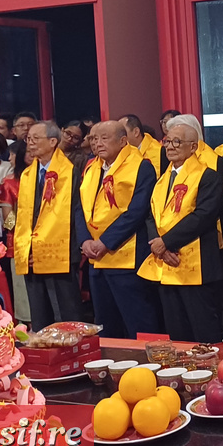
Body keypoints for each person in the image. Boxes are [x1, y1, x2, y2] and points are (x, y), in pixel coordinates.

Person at [139, 118, 223, 343]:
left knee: (203, 326)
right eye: (168, 141)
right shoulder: (163, 179)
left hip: (197, 263)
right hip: (165, 262)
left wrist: (165, 242)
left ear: (194, 146)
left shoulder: (208, 175)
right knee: (176, 329)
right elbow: (151, 215)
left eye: (177, 142)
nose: (170, 146)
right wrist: (158, 245)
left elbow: (204, 216)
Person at [74, 121, 161, 339]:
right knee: (105, 322)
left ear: (123, 141)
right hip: (96, 258)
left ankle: (146, 367)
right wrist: (84, 241)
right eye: (93, 138)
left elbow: (137, 211)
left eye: (104, 138)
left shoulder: (142, 166)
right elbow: (80, 207)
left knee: (138, 319)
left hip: (127, 256)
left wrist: (105, 241)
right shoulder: (91, 167)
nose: (97, 143)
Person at [14, 121, 83, 330]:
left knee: (66, 313)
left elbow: (75, 213)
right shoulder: (27, 174)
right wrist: (27, 249)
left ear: (53, 141)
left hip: (60, 252)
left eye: (36, 138)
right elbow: (20, 214)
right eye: (28, 138)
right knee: (40, 313)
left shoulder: (70, 170)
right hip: (32, 254)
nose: (30, 143)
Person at [0, 140, 31, 324]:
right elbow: (7, 217)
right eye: (29, 152)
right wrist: (20, 232)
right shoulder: (9, 182)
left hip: (48, 241)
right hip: (19, 242)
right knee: (22, 289)